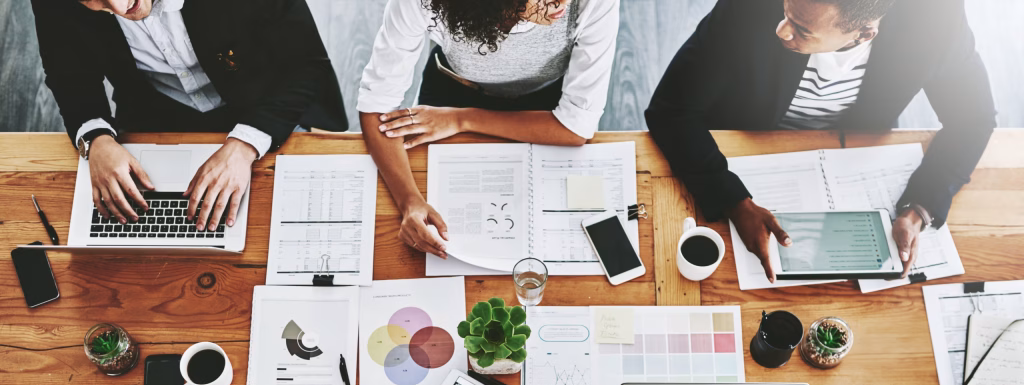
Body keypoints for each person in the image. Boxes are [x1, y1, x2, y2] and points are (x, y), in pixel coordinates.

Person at [646, 0, 996, 282]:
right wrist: (732, 199)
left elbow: (974, 118)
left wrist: (921, 206)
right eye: (785, 12)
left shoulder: (937, 18)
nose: (781, 30)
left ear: (863, 34)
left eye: (800, 29)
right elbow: (671, 109)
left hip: (858, 154)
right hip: (745, 141)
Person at [33, 0, 347, 231]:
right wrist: (96, 137)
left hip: (268, 105)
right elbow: (67, 72)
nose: (118, 6)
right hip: (154, 112)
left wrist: (244, 144)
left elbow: (307, 66)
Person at [357, 0, 619, 257]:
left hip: (546, 102)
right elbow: (376, 104)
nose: (562, 1)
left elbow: (575, 128)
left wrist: (462, 120)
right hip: (454, 87)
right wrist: (409, 202)